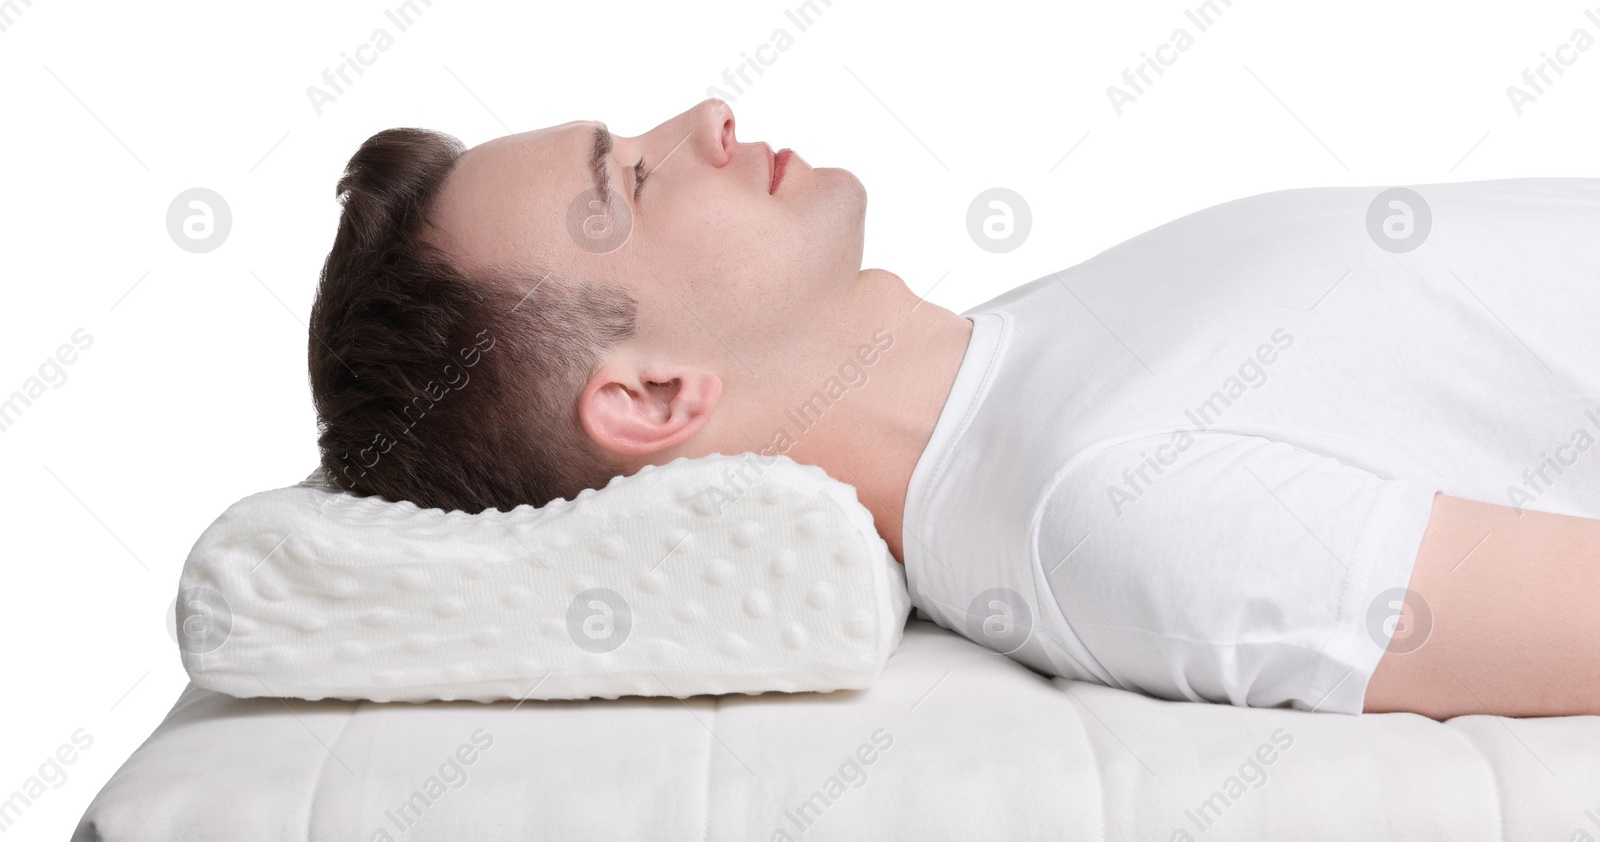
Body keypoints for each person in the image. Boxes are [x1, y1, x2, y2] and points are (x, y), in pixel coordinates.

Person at [308, 98, 1600, 721]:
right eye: (629, 183)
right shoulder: (1098, 504)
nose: (703, 116)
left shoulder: (1023, 349)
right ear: (652, 395)